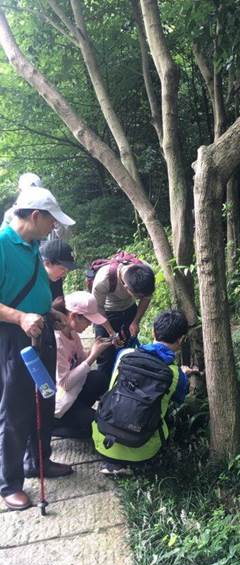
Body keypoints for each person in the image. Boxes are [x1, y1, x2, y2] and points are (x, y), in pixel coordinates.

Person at [0, 185, 75, 511]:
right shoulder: (2, 244)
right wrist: (20, 317)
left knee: (45, 398)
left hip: (40, 330)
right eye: (51, 219)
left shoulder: (33, 246)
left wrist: (50, 313)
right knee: (16, 407)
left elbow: (36, 290)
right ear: (34, 216)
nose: (54, 226)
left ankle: (39, 461)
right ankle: (9, 483)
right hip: (13, 337)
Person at [92, 309, 194, 475]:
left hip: (102, 440)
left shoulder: (124, 354)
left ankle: (114, 461)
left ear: (153, 331)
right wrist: (183, 374)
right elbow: (179, 399)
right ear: (181, 339)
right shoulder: (175, 374)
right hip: (142, 451)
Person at [53, 292, 111, 439]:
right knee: (96, 427)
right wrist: (93, 356)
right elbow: (65, 384)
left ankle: (81, 412)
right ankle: (56, 426)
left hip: (74, 393)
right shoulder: (57, 341)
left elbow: (80, 361)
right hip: (60, 404)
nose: (90, 324)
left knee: (99, 378)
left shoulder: (73, 334)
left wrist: (94, 349)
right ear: (73, 316)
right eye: (88, 320)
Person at [92, 259, 155, 377]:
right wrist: (111, 333)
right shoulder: (103, 280)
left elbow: (146, 298)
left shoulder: (146, 272)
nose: (140, 298)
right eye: (138, 296)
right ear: (126, 287)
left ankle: (124, 380)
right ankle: (104, 384)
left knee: (127, 347)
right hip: (106, 312)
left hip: (129, 309)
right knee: (105, 354)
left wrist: (136, 321)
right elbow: (97, 308)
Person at [40, 239, 78, 305]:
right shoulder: (29, 279)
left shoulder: (56, 279)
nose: (64, 274)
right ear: (47, 263)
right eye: (62, 268)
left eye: (67, 270)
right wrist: (52, 307)